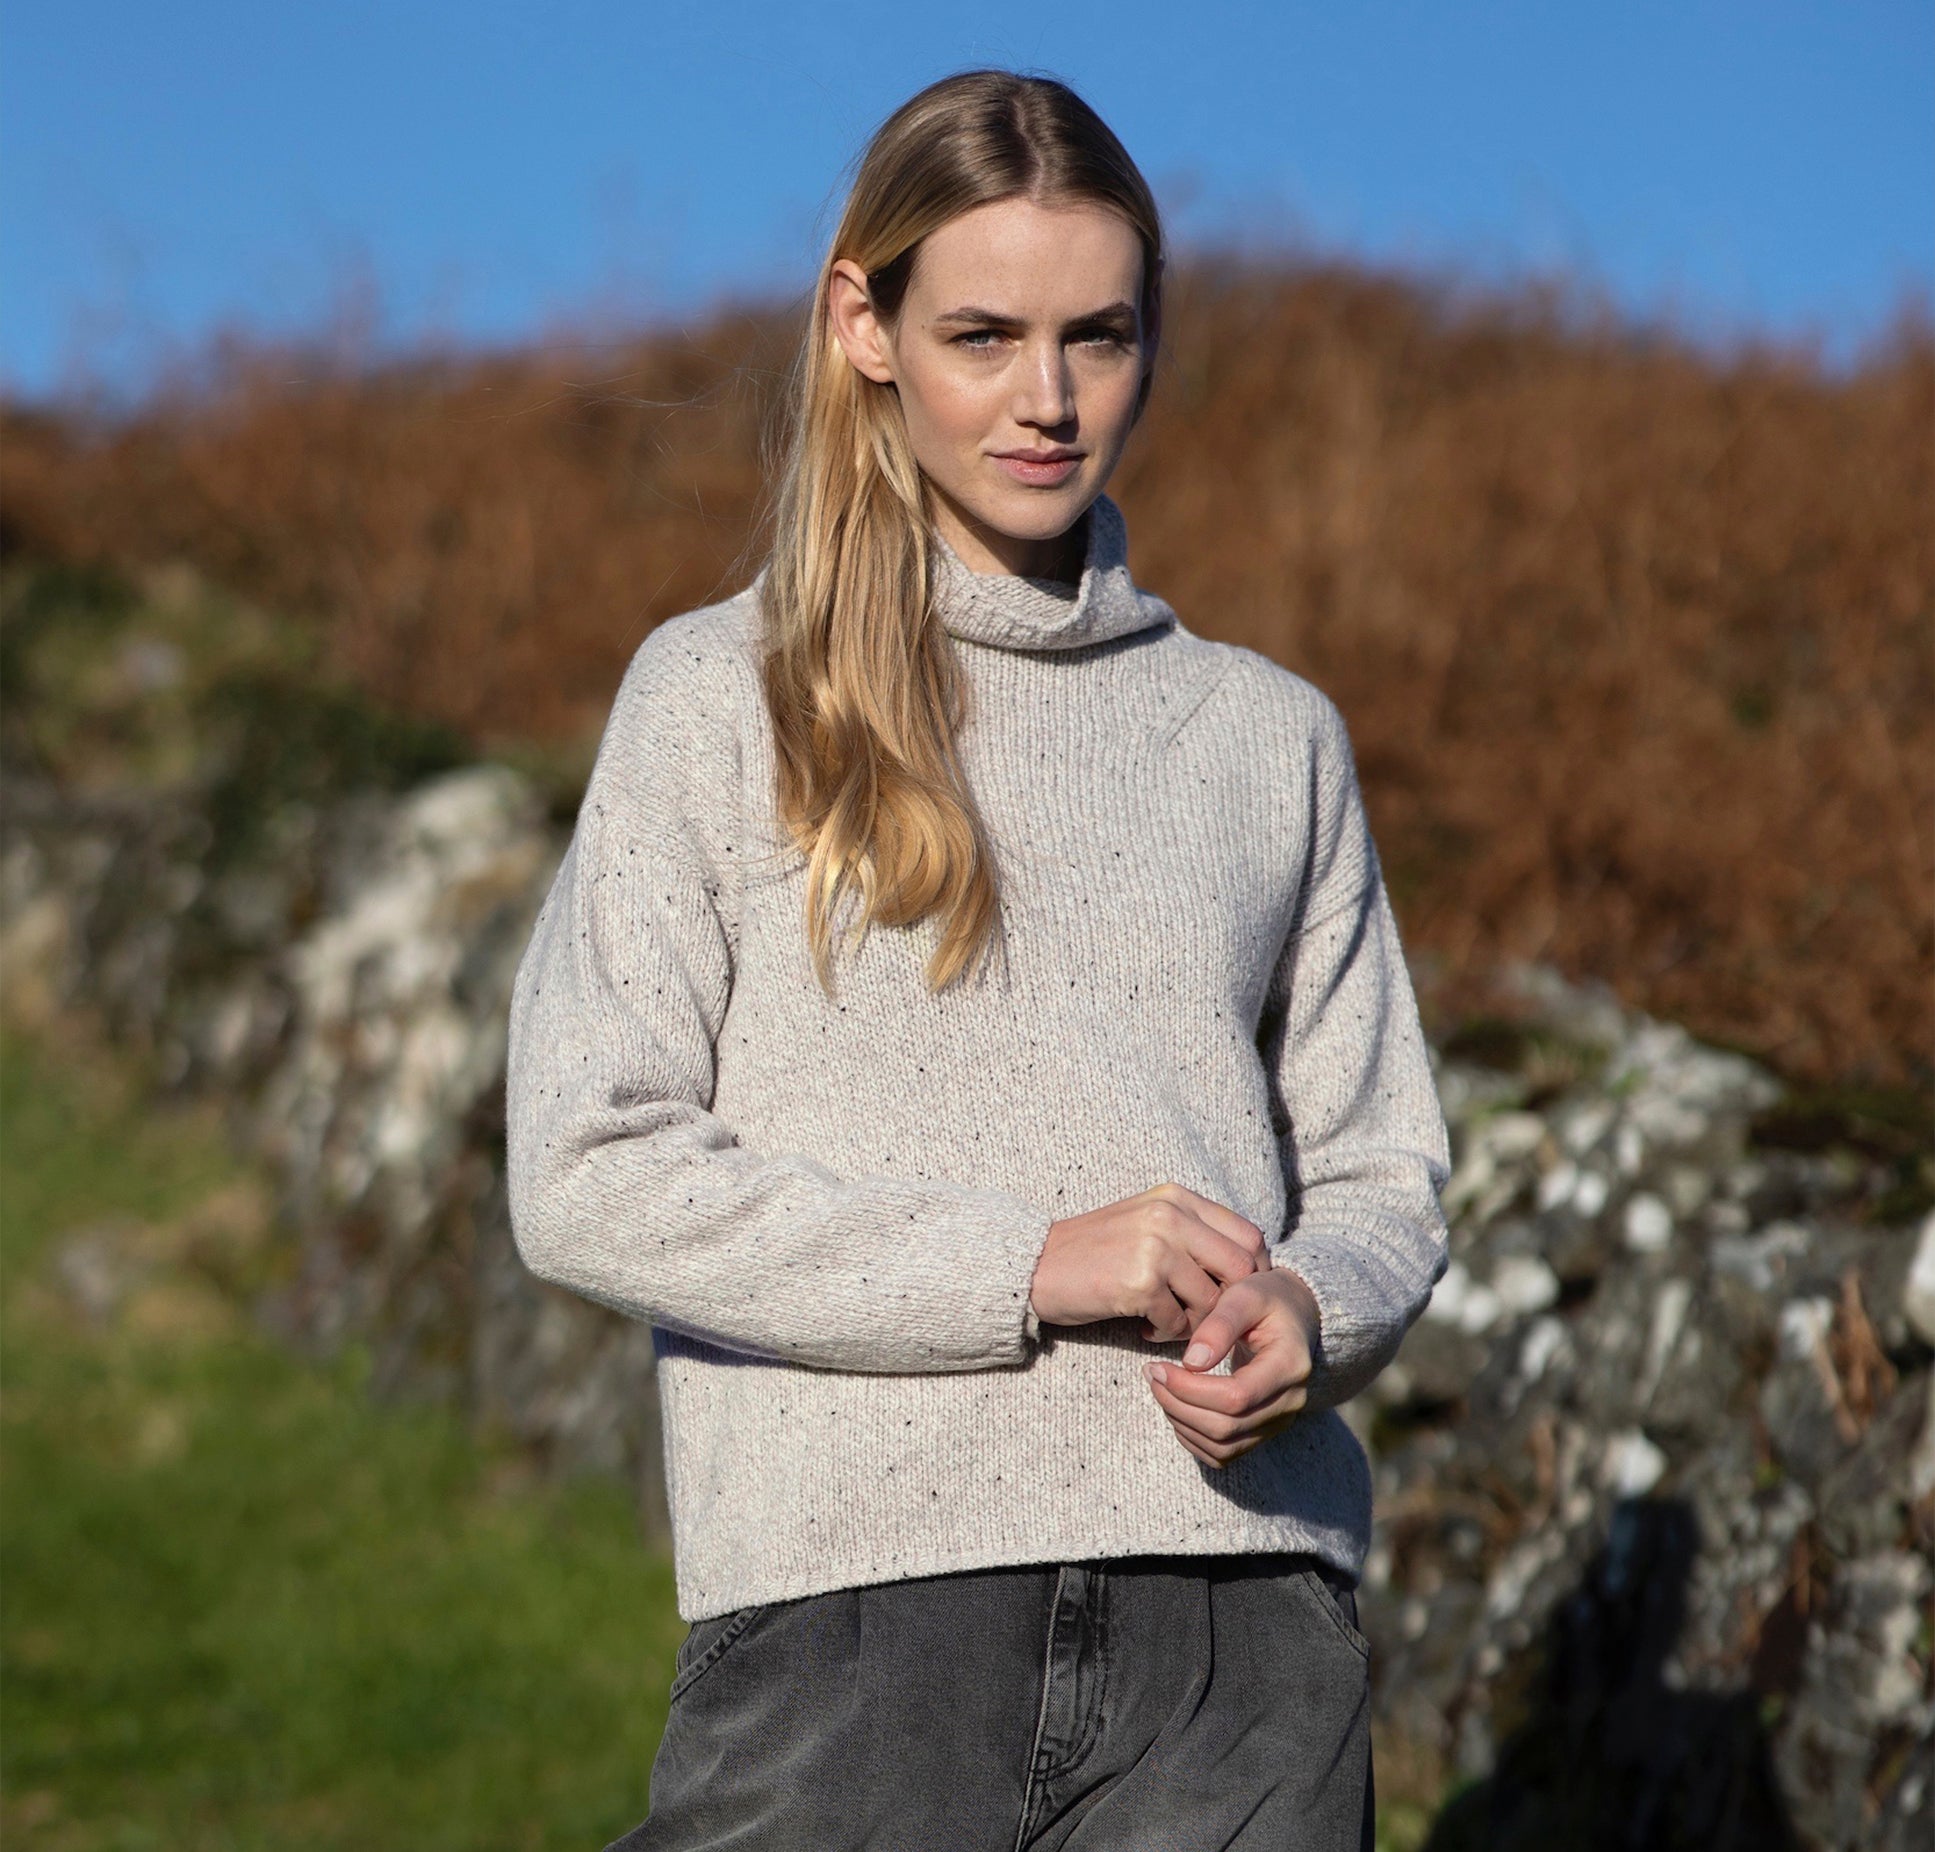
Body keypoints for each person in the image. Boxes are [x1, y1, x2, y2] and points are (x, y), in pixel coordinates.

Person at [505, 67, 1452, 1852]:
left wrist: (1312, 1312)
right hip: (856, 1634)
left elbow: (1384, 1171)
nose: (1048, 400)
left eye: (1100, 335)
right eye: (983, 335)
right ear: (860, 325)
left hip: (1243, 1637)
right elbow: (585, 1170)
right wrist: (1027, 1264)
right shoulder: (720, 700)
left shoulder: (1270, 738)